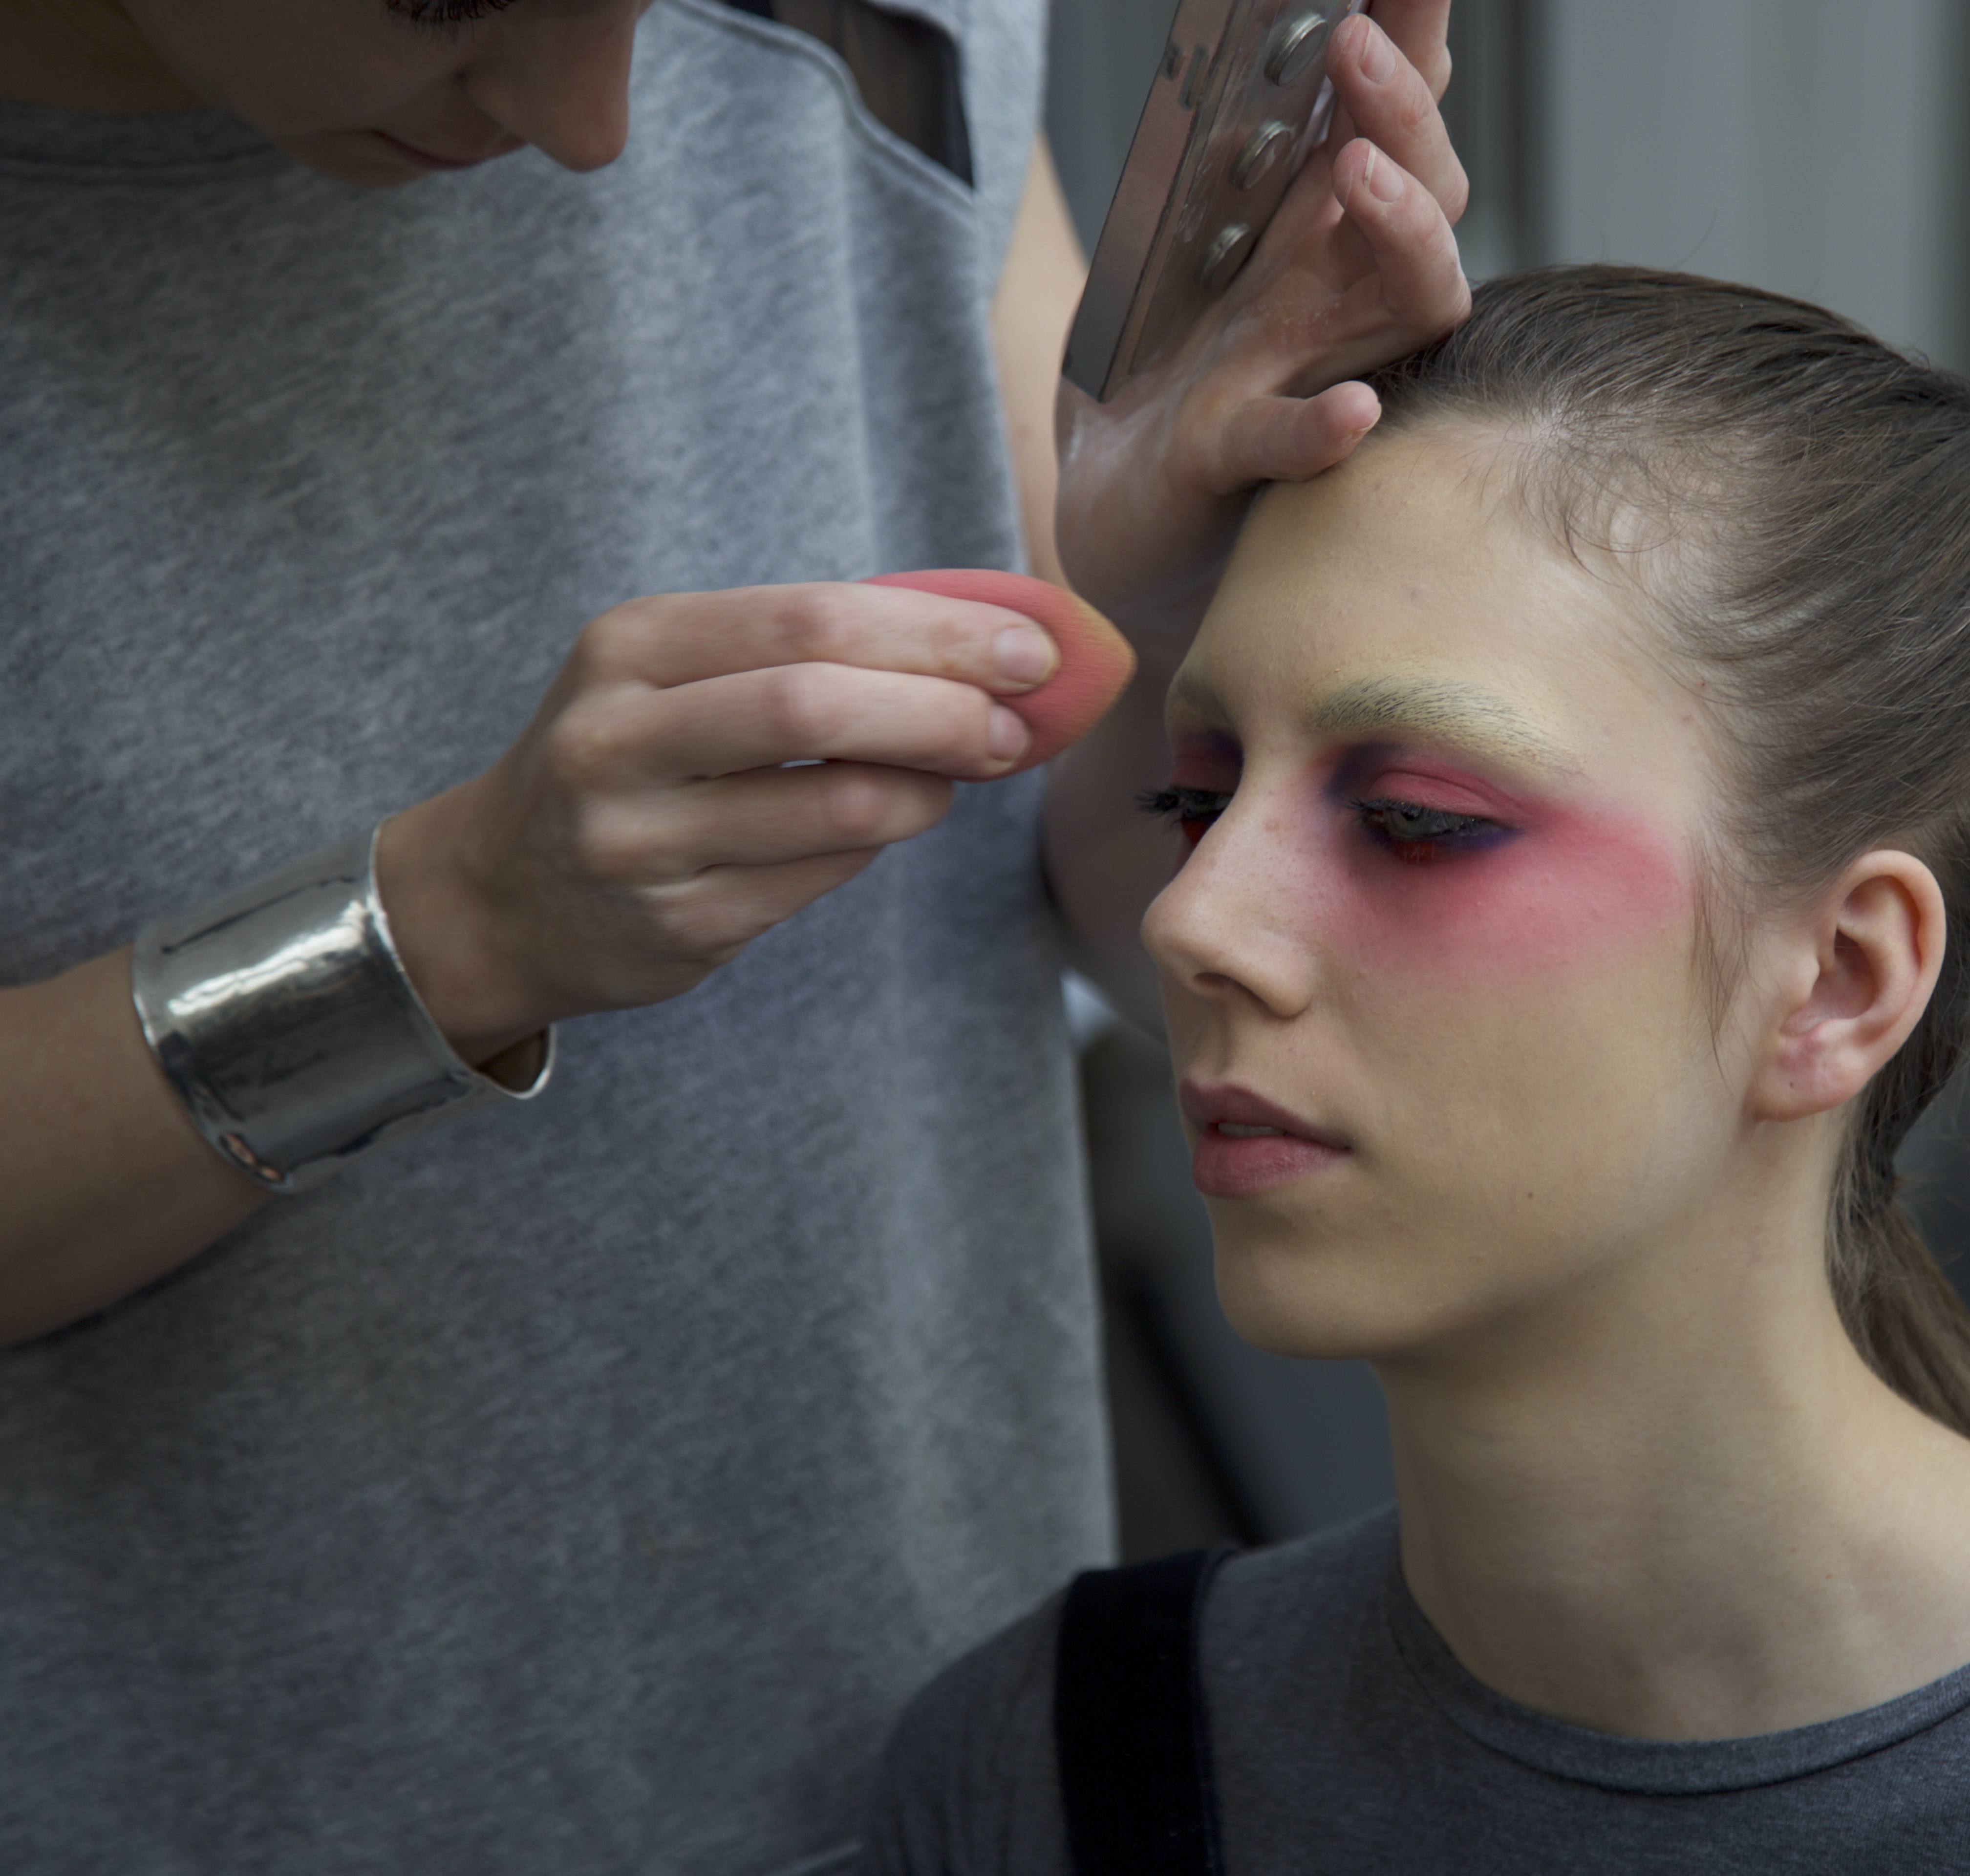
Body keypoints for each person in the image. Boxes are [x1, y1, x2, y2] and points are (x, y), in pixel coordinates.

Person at [0, 0, 1468, 1869]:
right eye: (448, 1)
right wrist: (445, 932)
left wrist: (1193, 631)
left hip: (943, 1780)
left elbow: (1120, 904)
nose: (597, 125)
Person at [863, 268, 1970, 1874]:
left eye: (1416, 822)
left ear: (1837, 979)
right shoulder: (1051, 1771)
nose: (1195, 920)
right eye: (1198, 797)